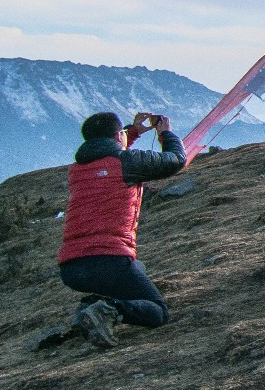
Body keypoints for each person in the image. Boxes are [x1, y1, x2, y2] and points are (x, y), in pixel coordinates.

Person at [57, 111, 186, 349]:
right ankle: (108, 309)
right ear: (118, 136)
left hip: (71, 268)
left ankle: (92, 307)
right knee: (157, 311)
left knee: (138, 269)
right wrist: (165, 133)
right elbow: (176, 160)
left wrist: (134, 131)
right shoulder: (126, 163)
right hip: (109, 260)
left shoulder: (77, 170)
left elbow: (108, 151)